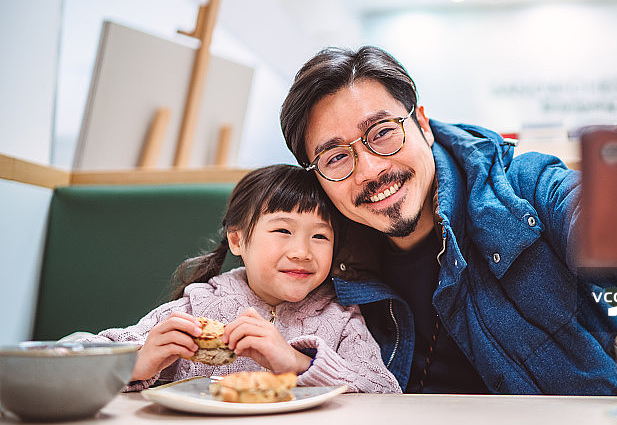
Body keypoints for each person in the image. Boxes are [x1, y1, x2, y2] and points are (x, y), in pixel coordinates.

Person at [279, 45, 617, 395]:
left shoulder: (523, 188)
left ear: (422, 124)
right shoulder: (324, 253)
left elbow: (612, 234)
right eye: (336, 157)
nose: (371, 169)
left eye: (382, 133)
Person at [72, 164, 401, 394]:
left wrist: (296, 362)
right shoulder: (198, 306)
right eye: (283, 230)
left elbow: (385, 392)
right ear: (237, 239)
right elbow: (64, 358)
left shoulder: (340, 316)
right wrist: (133, 364)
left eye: (320, 237)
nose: (302, 252)